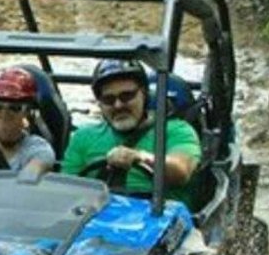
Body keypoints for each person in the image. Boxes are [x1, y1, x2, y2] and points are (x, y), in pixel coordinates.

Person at [60, 59, 201, 207]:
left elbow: (181, 171)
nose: (118, 105)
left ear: (144, 94)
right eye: (108, 99)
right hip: (97, 218)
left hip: (160, 217)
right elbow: (65, 192)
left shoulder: (177, 130)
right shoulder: (83, 137)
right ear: (100, 104)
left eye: (127, 96)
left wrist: (139, 157)